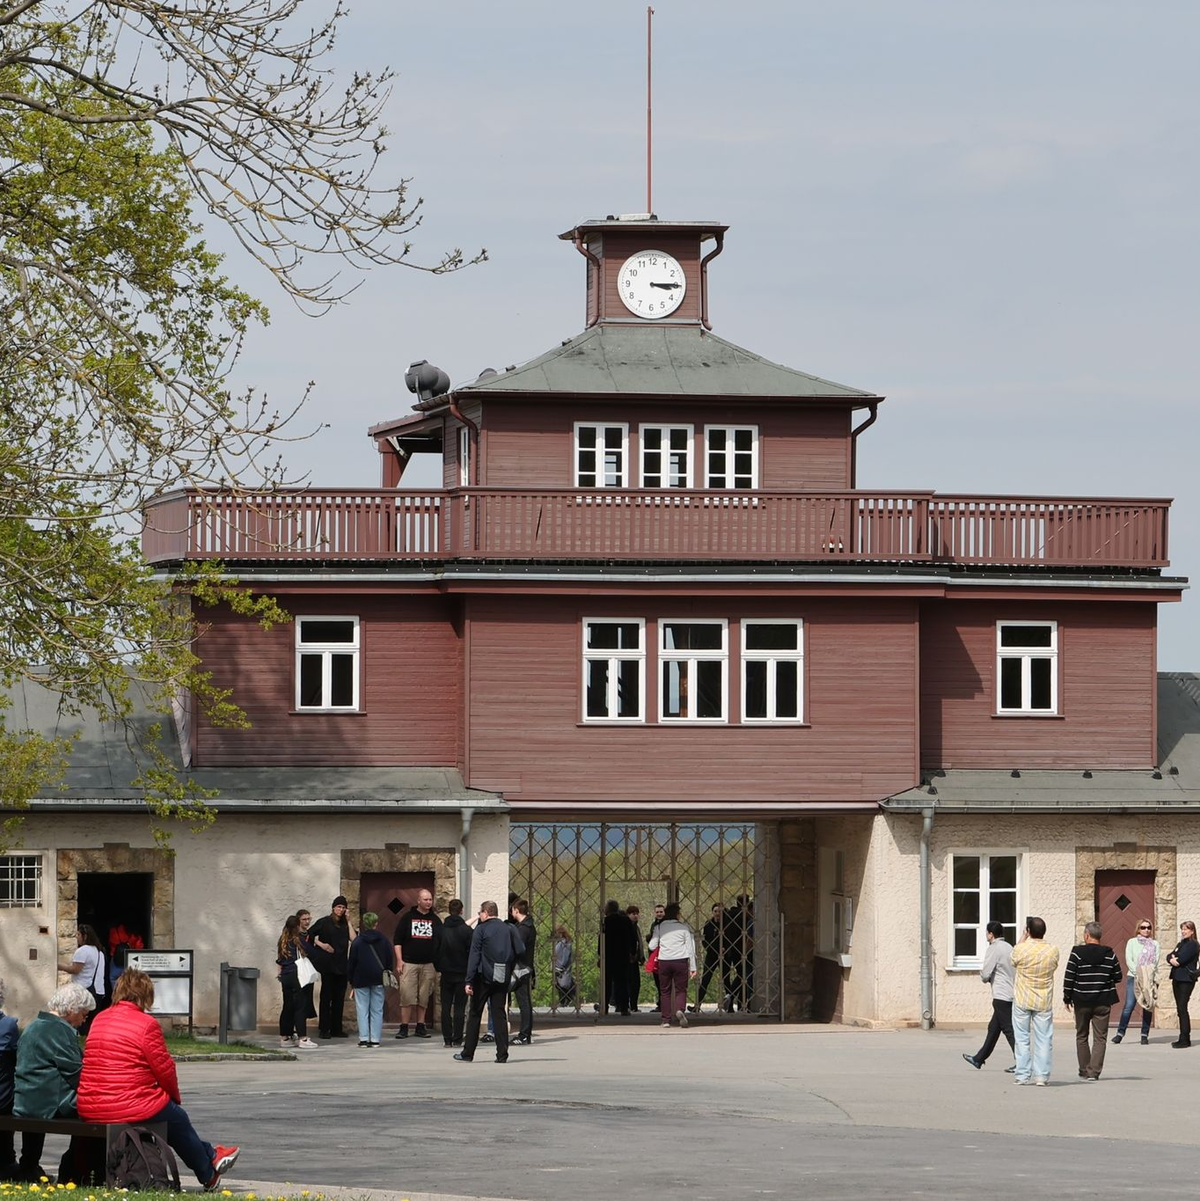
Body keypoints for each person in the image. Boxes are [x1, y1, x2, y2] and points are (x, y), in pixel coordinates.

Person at [77, 970, 240, 1191]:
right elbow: (164, 1069)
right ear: (145, 994)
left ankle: (212, 1155)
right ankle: (208, 1172)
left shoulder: (99, 1019)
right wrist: (172, 1097)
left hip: (90, 1104)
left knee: (171, 1117)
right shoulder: (146, 1024)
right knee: (176, 1117)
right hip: (129, 1103)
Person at [11, 983, 95, 1184]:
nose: (84, 1020)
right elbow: (76, 1072)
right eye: (83, 1014)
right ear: (72, 1009)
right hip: (50, 1103)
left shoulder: (35, 1025)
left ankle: (29, 1165)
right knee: (97, 1110)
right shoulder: (58, 1029)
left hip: (26, 1099)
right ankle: (75, 1169)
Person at [455, 900, 523, 1064]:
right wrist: (509, 965)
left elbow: (474, 955)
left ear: (485, 913)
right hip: (502, 976)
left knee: (475, 1014)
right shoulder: (509, 928)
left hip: (482, 977)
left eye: (480, 913)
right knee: (499, 1013)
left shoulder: (481, 929)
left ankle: (468, 1053)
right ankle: (502, 1054)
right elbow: (520, 950)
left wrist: (469, 980)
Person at [1062, 920, 1122, 1081]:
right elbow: (1118, 976)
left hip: (1081, 1000)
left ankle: (1084, 1069)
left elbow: (1069, 976)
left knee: (1081, 1035)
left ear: (1086, 935)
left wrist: (1067, 997)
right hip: (1103, 1001)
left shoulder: (1076, 953)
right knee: (1100, 1037)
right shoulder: (1110, 953)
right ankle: (1094, 1072)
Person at [1010, 915, 1060, 1085]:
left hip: (1022, 998)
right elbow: (1054, 966)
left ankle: (1022, 1075)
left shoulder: (1021, 949)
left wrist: (1022, 938)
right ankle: (1042, 1076)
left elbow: (1013, 960)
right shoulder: (1052, 950)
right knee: (1044, 1038)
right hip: (1043, 999)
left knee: (1022, 1038)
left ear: (1029, 931)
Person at [962, 921, 1016, 1072]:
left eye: (987, 932)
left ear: (991, 934)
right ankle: (979, 1059)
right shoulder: (1009, 947)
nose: (986, 935)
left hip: (1001, 994)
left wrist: (985, 977)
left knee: (1008, 1029)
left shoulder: (994, 948)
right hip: (1010, 991)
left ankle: (1022, 1061)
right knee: (993, 1028)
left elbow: (986, 973)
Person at [393, 888, 442, 1039]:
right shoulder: (408, 918)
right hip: (409, 963)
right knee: (407, 996)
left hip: (428, 964)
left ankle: (421, 1026)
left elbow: (441, 941)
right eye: (425, 900)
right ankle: (404, 1027)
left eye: (430, 900)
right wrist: (399, 960)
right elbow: (397, 941)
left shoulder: (435, 920)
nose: (428, 902)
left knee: (424, 997)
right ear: (418, 901)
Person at [309, 896, 353, 1040]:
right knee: (326, 997)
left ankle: (336, 1029)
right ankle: (324, 1028)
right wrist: (321, 945)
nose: (341, 910)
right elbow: (309, 934)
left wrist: (350, 921)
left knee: (339, 999)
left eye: (343, 907)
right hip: (328, 966)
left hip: (342, 966)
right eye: (339, 907)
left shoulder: (345, 924)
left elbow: (354, 938)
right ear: (333, 907)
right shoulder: (324, 922)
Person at [347, 911, 393, 1048]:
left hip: (361, 978)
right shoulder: (384, 940)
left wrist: (351, 980)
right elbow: (389, 960)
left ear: (364, 924)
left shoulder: (358, 942)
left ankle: (363, 1038)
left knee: (362, 1008)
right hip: (378, 978)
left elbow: (351, 963)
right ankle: (375, 1039)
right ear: (376, 924)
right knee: (377, 1009)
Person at [649, 902, 697, 1029]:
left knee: (665, 991)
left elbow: (651, 946)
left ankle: (665, 1020)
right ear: (677, 915)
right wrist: (693, 967)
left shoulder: (659, 927)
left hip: (664, 961)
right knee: (681, 989)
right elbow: (690, 948)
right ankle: (680, 1009)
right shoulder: (684, 928)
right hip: (680, 961)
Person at [1113, 917, 1159, 1045]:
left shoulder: (1155, 944)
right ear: (1138, 929)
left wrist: (1147, 974)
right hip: (1134, 977)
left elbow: (1155, 962)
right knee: (1129, 1006)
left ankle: (1144, 1035)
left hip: (1149, 978)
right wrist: (1138, 973)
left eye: (1148, 928)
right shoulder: (1132, 942)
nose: (1146, 930)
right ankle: (1120, 1034)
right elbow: (1129, 960)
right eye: (1143, 927)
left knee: (1147, 1007)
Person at [276, 915, 317, 1049]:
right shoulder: (297, 939)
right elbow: (311, 951)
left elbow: (280, 959)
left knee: (288, 1006)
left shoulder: (282, 940)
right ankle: (303, 1038)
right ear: (297, 926)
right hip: (296, 974)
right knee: (300, 1006)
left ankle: (285, 1037)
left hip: (285, 975)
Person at [438, 899, 474, 1047]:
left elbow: (435, 949)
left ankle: (447, 1038)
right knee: (460, 1007)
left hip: (446, 972)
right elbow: (472, 952)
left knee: (445, 1007)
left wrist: (438, 965)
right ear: (461, 911)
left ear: (449, 910)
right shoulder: (466, 931)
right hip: (462, 973)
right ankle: (458, 1038)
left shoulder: (441, 930)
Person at [62, 925, 107, 1033]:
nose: (76, 937)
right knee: (92, 1021)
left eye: (78, 934)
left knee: (80, 1019)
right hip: (98, 990)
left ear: (85, 936)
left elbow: (75, 969)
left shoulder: (82, 951)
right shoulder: (100, 952)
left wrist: (58, 966)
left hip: (83, 989)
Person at [693, 903, 732, 1013]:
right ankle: (697, 1005)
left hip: (724, 955)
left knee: (726, 980)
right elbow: (705, 940)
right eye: (715, 911)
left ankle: (729, 1007)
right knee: (705, 979)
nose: (717, 913)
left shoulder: (728, 924)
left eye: (720, 911)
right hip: (711, 955)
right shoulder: (708, 924)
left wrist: (725, 948)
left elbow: (731, 939)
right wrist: (711, 948)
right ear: (712, 912)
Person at [1166, 919, 1199, 1048]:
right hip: (1177, 978)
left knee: (1182, 1008)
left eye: (1186, 929)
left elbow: (1182, 959)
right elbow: (1169, 955)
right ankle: (1182, 1037)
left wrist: (1175, 959)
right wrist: (1172, 959)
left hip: (1186, 980)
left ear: (1192, 931)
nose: (1183, 931)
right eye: (1182, 929)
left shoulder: (1193, 944)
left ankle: (1185, 1039)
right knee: (1180, 1009)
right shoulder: (1181, 943)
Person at [601, 899, 636, 1016]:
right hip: (622, 955)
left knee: (607, 982)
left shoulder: (606, 921)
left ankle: (604, 1006)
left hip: (609, 956)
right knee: (622, 982)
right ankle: (624, 1007)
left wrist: (600, 954)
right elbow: (632, 937)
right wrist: (632, 952)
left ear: (608, 909)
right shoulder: (625, 920)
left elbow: (601, 939)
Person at [509, 898, 536, 1045]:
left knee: (524, 1003)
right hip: (525, 968)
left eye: (512, 909)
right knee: (524, 1002)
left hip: (521, 969)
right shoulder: (527, 926)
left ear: (516, 910)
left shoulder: (523, 929)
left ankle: (524, 1034)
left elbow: (517, 948)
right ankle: (525, 1033)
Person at [296, 909, 318, 1024]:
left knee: (306, 1000)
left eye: (309, 919)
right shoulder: (295, 935)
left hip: (308, 970)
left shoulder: (309, 934)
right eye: (304, 919)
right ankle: (297, 1030)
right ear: (298, 920)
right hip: (298, 971)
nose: (307, 921)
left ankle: (301, 1029)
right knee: (298, 1002)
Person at [626, 906, 646, 1012]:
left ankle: (633, 1005)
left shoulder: (636, 927)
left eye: (637, 913)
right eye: (633, 913)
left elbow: (639, 943)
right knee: (630, 983)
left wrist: (641, 956)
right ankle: (628, 1005)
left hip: (634, 959)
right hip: (627, 959)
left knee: (635, 983)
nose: (635, 916)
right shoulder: (626, 927)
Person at [552, 927, 577, 1007]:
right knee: (559, 984)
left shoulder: (566, 943)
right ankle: (565, 1000)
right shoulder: (560, 942)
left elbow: (565, 956)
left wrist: (561, 966)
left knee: (563, 984)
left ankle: (566, 999)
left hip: (562, 967)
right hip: (558, 966)